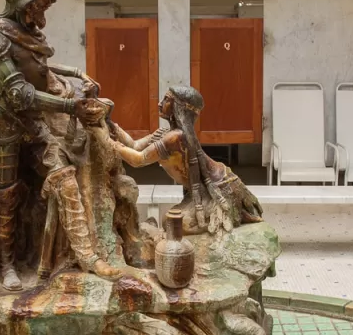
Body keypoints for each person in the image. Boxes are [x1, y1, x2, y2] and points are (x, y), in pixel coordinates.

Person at [0, 0, 120, 291]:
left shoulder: (26, 31)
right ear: (23, 3)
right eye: (40, 2)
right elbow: (18, 93)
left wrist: (75, 73)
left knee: (65, 179)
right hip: (3, 128)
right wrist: (72, 106)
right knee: (6, 195)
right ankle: (7, 265)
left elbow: (38, 70)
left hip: (35, 121)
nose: (45, 9)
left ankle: (86, 256)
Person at [107, 85, 263, 235]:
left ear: (179, 107)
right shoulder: (165, 133)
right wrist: (111, 125)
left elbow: (138, 160)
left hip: (218, 188)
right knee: (171, 222)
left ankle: (218, 219)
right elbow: (135, 145)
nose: (159, 103)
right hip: (209, 185)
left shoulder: (176, 138)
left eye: (166, 100)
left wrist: (108, 142)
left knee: (170, 222)